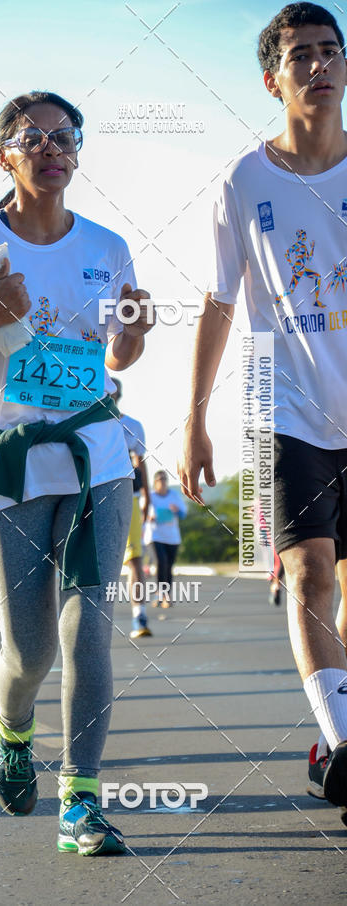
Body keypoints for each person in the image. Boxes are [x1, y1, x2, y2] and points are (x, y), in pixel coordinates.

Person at [0, 90, 154, 854]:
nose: (52, 149)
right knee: (30, 650)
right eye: (33, 138)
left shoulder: (108, 246)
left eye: (65, 137)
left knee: (90, 632)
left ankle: (80, 801)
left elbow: (115, 360)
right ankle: (13, 732)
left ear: (78, 153)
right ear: (4, 156)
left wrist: (134, 333)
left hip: (97, 458)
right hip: (13, 465)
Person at [178, 3, 347, 822]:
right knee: (310, 573)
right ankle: (346, 745)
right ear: (271, 78)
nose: (318, 66)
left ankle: (333, 739)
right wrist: (194, 417)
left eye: (329, 51)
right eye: (300, 56)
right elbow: (217, 302)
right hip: (291, 411)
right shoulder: (243, 181)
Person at [110, 379, 152, 637]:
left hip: (130, 496)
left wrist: (146, 495)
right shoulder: (86, 423)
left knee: (134, 559)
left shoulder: (132, 426)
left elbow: (141, 462)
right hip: (92, 496)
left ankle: (140, 616)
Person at [148, 471, 186, 608]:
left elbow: (183, 514)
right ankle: (161, 594)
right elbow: (142, 512)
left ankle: (166, 595)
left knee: (169, 566)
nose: (162, 481)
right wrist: (148, 517)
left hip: (172, 537)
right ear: (155, 482)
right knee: (161, 563)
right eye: (159, 479)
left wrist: (176, 510)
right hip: (155, 535)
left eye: (164, 479)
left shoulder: (174, 496)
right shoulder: (150, 497)